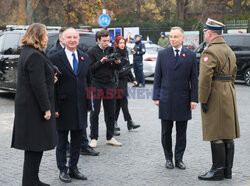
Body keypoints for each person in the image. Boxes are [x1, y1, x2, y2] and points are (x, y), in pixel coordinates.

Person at [11, 23, 56, 186]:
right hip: (34, 108)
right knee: (35, 145)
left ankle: (32, 179)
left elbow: (38, 78)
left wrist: (51, 78)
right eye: (45, 34)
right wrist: (46, 108)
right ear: (38, 36)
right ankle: (29, 181)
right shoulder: (35, 55)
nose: (47, 37)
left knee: (34, 146)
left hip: (29, 107)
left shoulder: (29, 52)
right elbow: (38, 85)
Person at [198, 18, 240, 181]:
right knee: (228, 133)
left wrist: (203, 99)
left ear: (209, 33)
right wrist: (227, 88)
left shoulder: (209, 51)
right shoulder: (229, 50)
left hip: (215, 93)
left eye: (206, 33)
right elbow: (234, 73)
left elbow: (204, 79)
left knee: (215, 132)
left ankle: (217, 170)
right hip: (228, 91)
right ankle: (227, 171)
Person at [153, 26, 198, 170]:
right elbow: (157, 77)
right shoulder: (163, 54)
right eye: (171, 36)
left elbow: (194, 79)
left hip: (183, 99)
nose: (172, 39)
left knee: (181, 132)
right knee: (166, 131)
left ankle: (179, 159)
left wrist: (194, 99)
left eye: (175, 37)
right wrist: (156, 96)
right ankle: (168, 158)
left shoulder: (190, 55)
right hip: (166, 98)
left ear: (182, 38)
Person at [49, 28, 91, 183]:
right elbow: (51, 86)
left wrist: (88, 104)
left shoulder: (84, 57)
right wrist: (55, 108)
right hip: (62, 107)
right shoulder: (54, 58)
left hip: (80, 106)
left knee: (77, 141)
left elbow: (88, 82)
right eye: (69, 37)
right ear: (63, 39)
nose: (72, 40)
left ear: (78, 39)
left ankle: (73, 168)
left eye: (75, 37)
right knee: (61, 142)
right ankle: (62, 170)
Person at [87, 30, 122, 147]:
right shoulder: (91, 51)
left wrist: (117, 62)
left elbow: (118, 67)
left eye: (108, 40)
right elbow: (90, 69)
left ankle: (110, 137)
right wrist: (101, 61)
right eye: (104, 41)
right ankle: (93, 138)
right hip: (96, 84)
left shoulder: (112, 50)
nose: (107, 43)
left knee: (110, 111)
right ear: (98, 40)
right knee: (95, 112)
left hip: (110, 83)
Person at [113, 36, 141, 136]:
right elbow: (117, 70)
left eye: (123, 42)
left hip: (124, 81)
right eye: (120, 43)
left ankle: (115, 123)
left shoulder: (125, 52)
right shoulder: (115, 53)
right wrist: (125, 72)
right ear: (116, 43)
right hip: (117, 82)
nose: (122, 44)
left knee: (119, 104)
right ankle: (129, 122)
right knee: (122, 102)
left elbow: (127, 68)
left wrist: (133, 79)